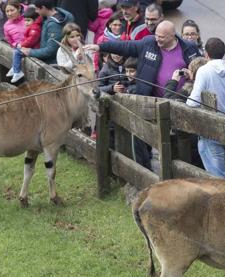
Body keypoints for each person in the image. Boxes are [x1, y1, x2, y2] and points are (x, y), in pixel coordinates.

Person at [85, 21, 200, 169]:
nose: (157, 39)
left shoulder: (189, 48)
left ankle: (178, 172)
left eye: (162, 37)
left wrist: (193, 74)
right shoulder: (149, 43)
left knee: (180, 142)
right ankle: (146, 172)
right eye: (156, 35)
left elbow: (200, 67)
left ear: (173, 35)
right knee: (143, 140)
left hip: (179, 103)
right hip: (148, 101)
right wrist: (100, 47)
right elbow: (126, 46)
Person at [186, 37, 225, 178]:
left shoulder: (204, 71)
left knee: (216, 175)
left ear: (206, 53)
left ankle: (222, 199)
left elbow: (193, 101)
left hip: (211, 127)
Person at [20, 0, 74, 65]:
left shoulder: (54, 25)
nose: (36, 11)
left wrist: (30, 52)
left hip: (52, 63)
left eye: (37, 9)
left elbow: (51, 50)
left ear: (43, 8)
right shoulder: (47, 17)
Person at [6, 7, 42, 83]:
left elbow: (30, 41)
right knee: (16, 51)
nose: (26, 23)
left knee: (17, 52)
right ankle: (15, 68)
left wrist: (21, 45)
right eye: (25, 20)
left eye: (28, 20)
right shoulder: (32, 28)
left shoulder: (34, 29)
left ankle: (17, 71)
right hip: (30, 48)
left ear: (35, 20)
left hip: (33, 49)